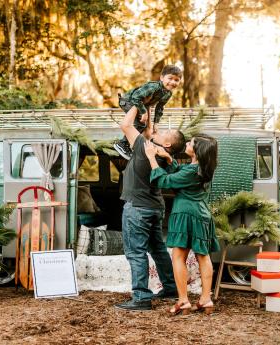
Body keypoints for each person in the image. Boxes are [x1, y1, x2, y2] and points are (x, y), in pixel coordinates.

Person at [114, 98, 187, 312]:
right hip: (155, 207)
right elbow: (148, 131)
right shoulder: (163, 156)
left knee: (136, 252)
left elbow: (125, 125)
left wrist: (137, 103)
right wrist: (150, 111)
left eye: (166, 133)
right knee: (158, 249)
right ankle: (171, 287)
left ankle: (141, 298)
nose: (161, 131)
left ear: (166, 144)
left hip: (137, 208)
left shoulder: (144, 148)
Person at [144, 134, 220, 315]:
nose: (187, 143)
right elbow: (182, 176)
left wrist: (151, 158)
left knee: (178, 257)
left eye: (190, 143)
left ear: (197, 150)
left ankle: (184, 301)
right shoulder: (203, 168)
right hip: (202, 214)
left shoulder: (191, 171)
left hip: (185, 213)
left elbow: (164, 181)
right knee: (204, 256)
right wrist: (170, 158)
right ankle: (205, 299)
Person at [113, 65, 182, 160]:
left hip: (140, 104)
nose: (173, 82)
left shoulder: (168, 93)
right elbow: (135, 97)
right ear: (162, 77)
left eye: (176, 80)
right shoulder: (153, 87)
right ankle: (122, 144)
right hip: (127, 101)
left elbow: (160, 108)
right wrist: (144, 112)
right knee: (141, 124)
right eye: (170, 78)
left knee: (144, 126)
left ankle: (130, 143)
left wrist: (155, 124)